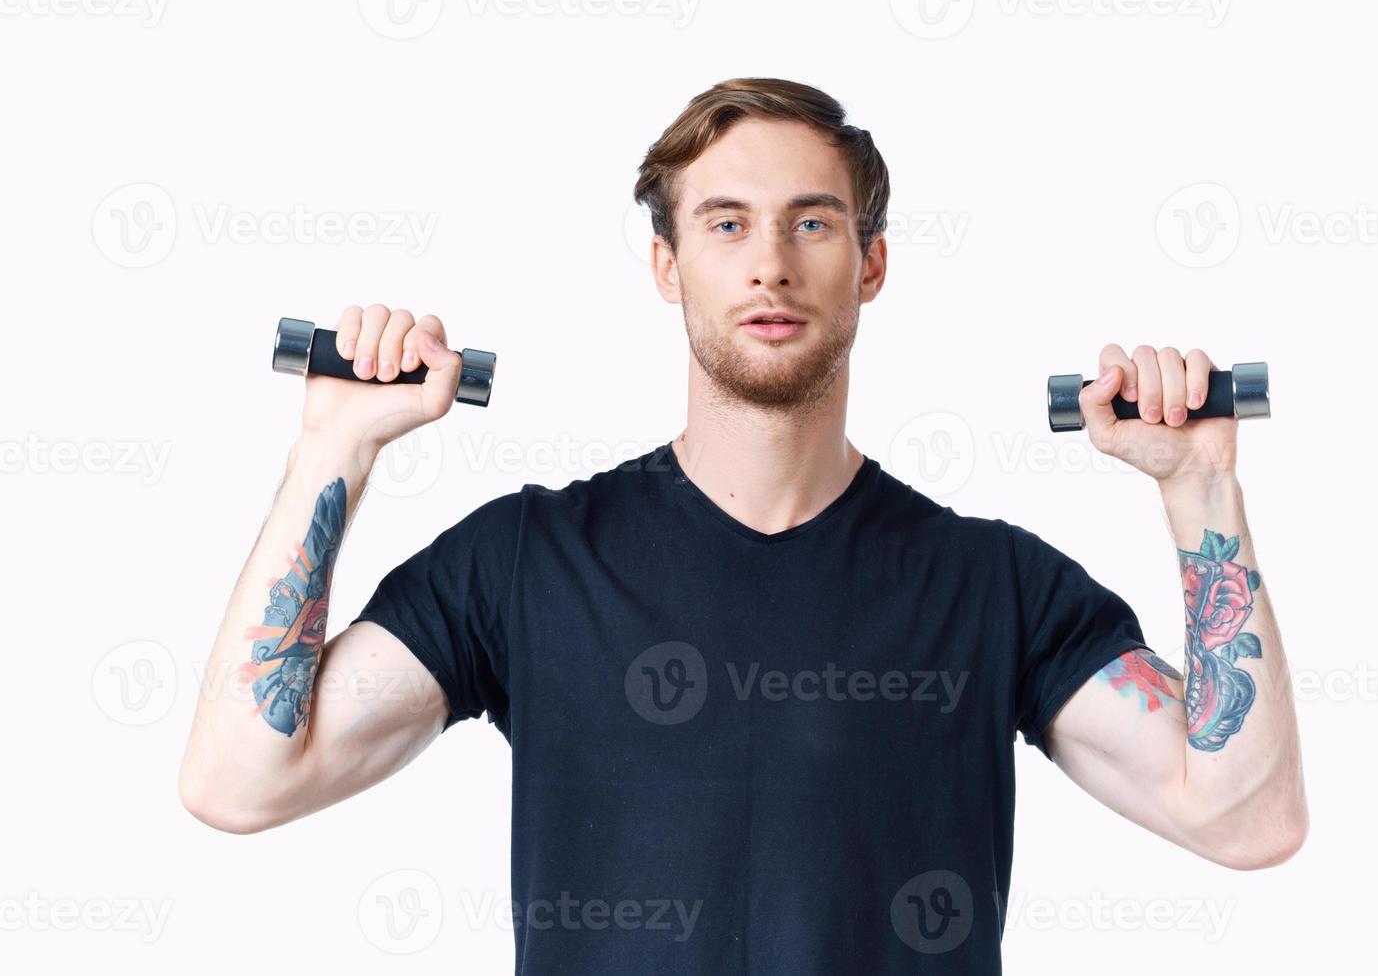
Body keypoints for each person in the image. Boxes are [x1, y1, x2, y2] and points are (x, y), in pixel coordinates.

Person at [177, 77, 1307, 974]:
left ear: (869, 264)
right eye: (727, 223)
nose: (770, 260)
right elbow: (241, 780)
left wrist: (1199, 485)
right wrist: (333, 447)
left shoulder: (991, 585)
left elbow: (1245, 820)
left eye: (811, 221)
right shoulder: (524, 564)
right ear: (668, 265)